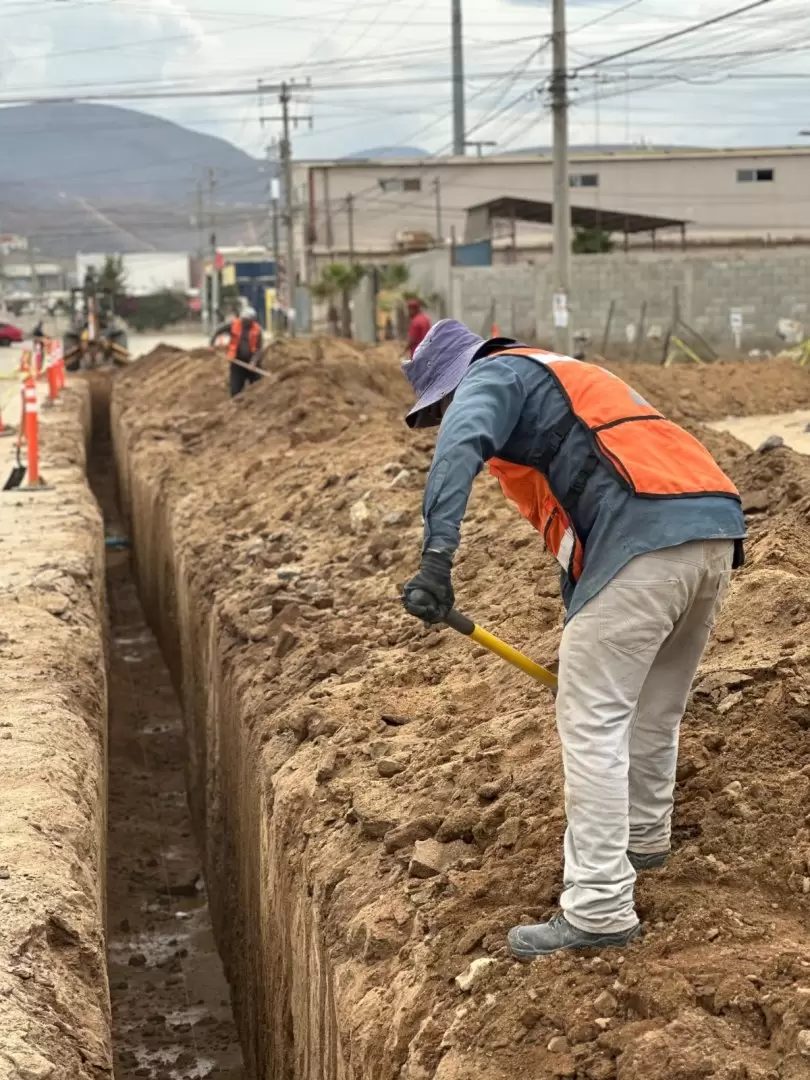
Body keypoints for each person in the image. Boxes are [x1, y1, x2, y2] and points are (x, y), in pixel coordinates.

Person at [400, 319, 746, 957]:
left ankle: (600, 908)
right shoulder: (563, 375)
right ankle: (643, 840)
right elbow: (589, 514)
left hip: (644, 538)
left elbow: (458, 447)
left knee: (593, 725)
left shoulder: (491, 376)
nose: (445, 416)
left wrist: (436, 561)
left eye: (441, 406)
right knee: (652, 710)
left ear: (453, 381)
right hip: (711, 530)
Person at [210, 306, 264, 397]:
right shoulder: (233, 324)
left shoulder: (257, 330)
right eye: (244, 319)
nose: (245, 322)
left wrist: (253, 362)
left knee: (259, 389)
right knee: (235, 390)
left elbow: (259, 348)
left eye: (248, 320)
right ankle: (235, 402)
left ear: (252, 320)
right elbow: (218, 330)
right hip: (237, 361)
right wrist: (212, 344)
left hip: (253, 364)